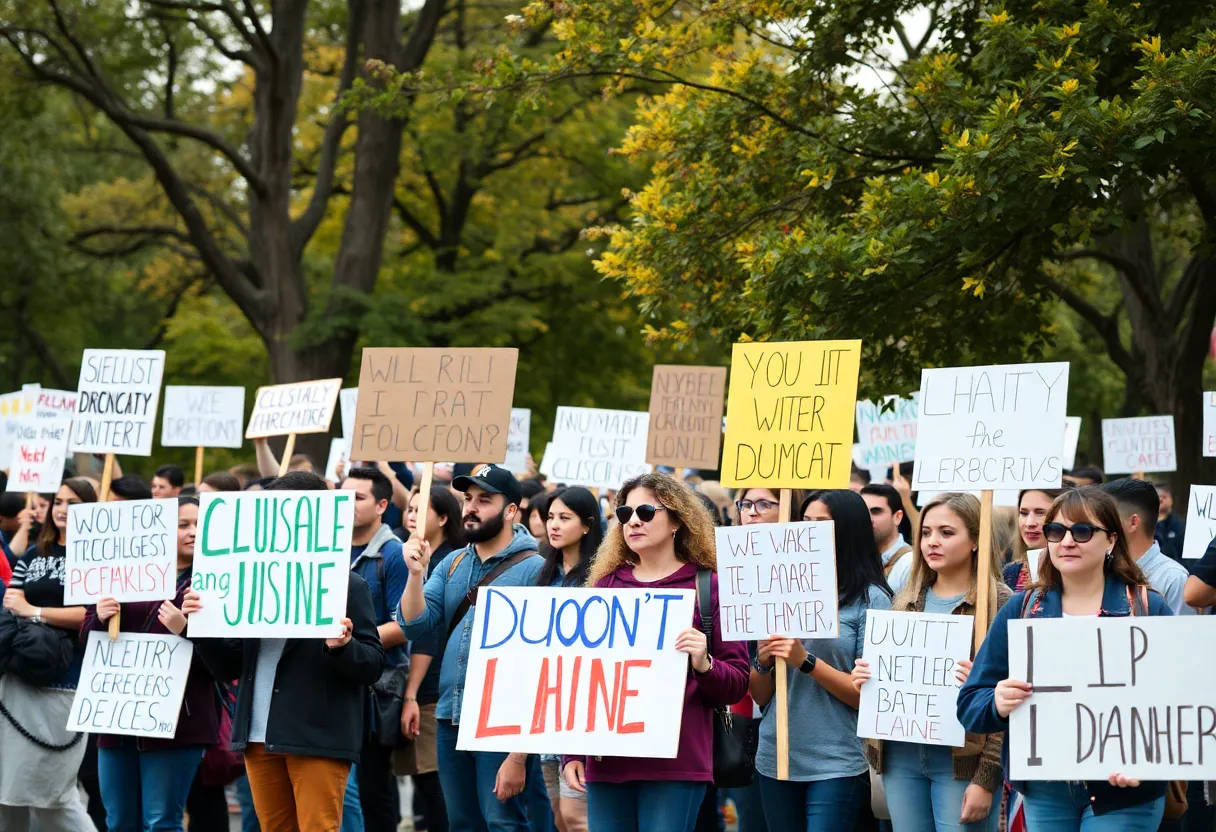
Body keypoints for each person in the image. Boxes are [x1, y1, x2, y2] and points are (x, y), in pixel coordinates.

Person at [182, 470, 386, 832]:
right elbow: (228, 665)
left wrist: (344, 646)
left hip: (316, 737)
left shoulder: (345, 584)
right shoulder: (245, 581)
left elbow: (372, 665)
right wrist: (200, 626)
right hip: (258, 734)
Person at [958, 487, 1172, 829]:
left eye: (1083, 531)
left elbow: (1179, 704)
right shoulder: (1022, 609)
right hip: (1046, 792)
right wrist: (997, 701)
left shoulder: (1146, 609)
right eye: (1056, 531)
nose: (1067, 541)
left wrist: (1147, 761)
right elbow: (970, 704)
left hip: (1124, 793)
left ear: (1112, 541)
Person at [561, 474, 750, 832]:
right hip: (608, 761)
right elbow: (582, 678)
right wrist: (572, 752)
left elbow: (737, 683)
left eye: (646, 511)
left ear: (677, 520)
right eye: (625, 512)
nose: (633, 520)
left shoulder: (711, 586)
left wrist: (704, 663)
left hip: (677, 762)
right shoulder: (606, 586)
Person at [399, 464, 546, 831]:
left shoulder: (537, 570)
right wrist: (415, 574)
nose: (472, 508)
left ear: (511, 510)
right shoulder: (452, 563)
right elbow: (413, 623)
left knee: (503, 822)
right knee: (462, 822)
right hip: (453, 714)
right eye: (467, 499)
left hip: (504, 720)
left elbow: (545, 665)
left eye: (484, 500)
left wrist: (519, 752)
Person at [853, 493, 1008, 832]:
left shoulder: (1000, 603)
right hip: (900, 758)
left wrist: (986, 777)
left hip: (962, 763)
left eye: (946, 533)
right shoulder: (905, 599)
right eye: (925, 532)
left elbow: (1008, 704)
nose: (932, 542)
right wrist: (866, 676)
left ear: (975, 541)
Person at [751, 489, 893, 829]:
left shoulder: (871, 599)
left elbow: (868, 699)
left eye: (821, 524)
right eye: (805, 521)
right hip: (776, 758)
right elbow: (760, 696)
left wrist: (806, 660)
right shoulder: (778, 590)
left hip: (836, 763)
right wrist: (763, 662)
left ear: (847, 530)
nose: (807, 531)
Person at [84, 495, 222, 832]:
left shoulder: (217, 582)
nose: (193, 532)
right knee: (118, 821)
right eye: (183, 525)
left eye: (199, 525)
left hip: (178, 724)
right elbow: (88, 645)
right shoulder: (122, 574)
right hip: (116, 720)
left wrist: (186, 630)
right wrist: (100, 618)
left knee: (161, 822)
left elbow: (223, 663)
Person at [0, 477, 98, 832]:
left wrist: (34, 611)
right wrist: (24, 609)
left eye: (73, 503)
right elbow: (11, 603)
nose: (62, 510)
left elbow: (93, 614)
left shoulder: (96, 558)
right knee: (7, 791)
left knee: (55, 796)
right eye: (59, 502)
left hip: (65, 681)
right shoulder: (33, 553)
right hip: (19, 678)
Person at [342, 467, 412, 832]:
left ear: (383, 505)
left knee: (371, 789)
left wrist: (349, 643)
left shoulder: (394, 554)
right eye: (342, 494)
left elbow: (404, 624)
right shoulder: (327, 548)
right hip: (333, 682)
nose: (346, 503)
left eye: (358, 497)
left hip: (374, 688)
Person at [535, 487, 603, 832]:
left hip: (585, 710)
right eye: (550, 517)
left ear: (588, 525)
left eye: (565, 518)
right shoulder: (542, 576)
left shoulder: (602, 579)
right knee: (561, 818)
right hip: (547, 708)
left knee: (580, 819)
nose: (553, 526)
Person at [398, 485, 465, 832]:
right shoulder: (408, 553)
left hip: (433, 686)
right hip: (417, 685)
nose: (411, 514)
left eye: (420, 508)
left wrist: (411, 693)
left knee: (435, 785)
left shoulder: (451, 561)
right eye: (408, 507)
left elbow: (424, 630)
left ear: (442, 517)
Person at [1099, 479, 1193, 616]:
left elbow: (1183, 635)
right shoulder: (1098, 568)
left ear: (1133, 522)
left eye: (1106, 517)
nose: (1097, 524)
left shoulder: (1173, 578)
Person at [1001, 488, 1070, 592]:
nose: (1029, 523)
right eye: (1024, 513)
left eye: (1040, 513)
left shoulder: (1076, 570)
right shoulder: (1010, 573)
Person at [860, 483, 913, 592]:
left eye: (876, 512)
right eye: (862, 511)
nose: (868, 518)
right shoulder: (855, 558)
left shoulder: (910, 563)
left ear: (897, 517)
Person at [1152, 482, 1185, 561]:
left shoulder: (1181, 526)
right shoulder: (1144, 526)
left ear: (1171, 500)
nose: (1160, 500)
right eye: (1157, 497)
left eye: (1164, 497)